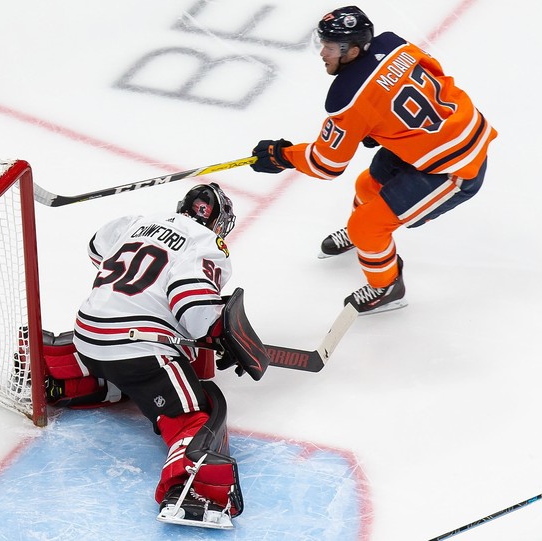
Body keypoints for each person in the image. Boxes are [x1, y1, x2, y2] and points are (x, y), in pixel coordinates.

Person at [250, 5, 497, 315]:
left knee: (366, 225)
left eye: (330, 47)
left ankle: (387, 288)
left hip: (454, 168)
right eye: (322, 43)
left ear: (353, 51)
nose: (322, 53)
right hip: (451, 131)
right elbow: (435, 72)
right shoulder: (393, 44)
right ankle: (364, 240)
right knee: (368, 185)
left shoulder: (348, 96)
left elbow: (326, 164)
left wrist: (281, 156)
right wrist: (384, 122)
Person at [62, 182, 266, 529]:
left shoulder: (140, 220)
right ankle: (191, 489)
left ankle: (61, 377)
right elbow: (197, 312)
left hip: (86, 335)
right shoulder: (206, 244)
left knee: (122, 369)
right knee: (195, 412)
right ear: (218, 223)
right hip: (137, 348)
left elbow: (97, 248)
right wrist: (221, 333)